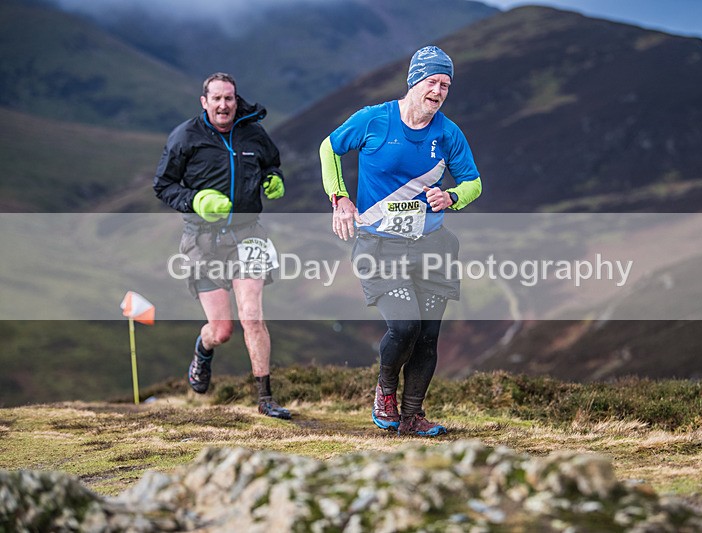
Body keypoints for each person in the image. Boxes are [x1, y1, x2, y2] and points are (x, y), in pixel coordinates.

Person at [319, 46, 482, 436]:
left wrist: (453, 197)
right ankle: (385, 393)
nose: (439, 91)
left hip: (432, 245)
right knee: (405, 326)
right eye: (432, 82)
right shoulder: (374, 120)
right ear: (414, 81)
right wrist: (340, 198)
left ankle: (412, 416)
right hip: (380, 246)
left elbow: (474, 182)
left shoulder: (448, 133)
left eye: (446, 84)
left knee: (427, 336)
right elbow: (330, 147)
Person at [154, 72, 291, 419]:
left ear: (235, 99)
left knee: (252, 317)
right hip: (204, 239)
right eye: (216, 98)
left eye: (229, 98)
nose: (223, 104)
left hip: (248, 235)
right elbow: (164, 185)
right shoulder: (186, 137)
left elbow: (271, 163)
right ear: (205, 102)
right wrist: (196, 200)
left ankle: (265, 399)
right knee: (223, 330)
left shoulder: (252, 132)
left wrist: (274, 179)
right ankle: (203, 349)